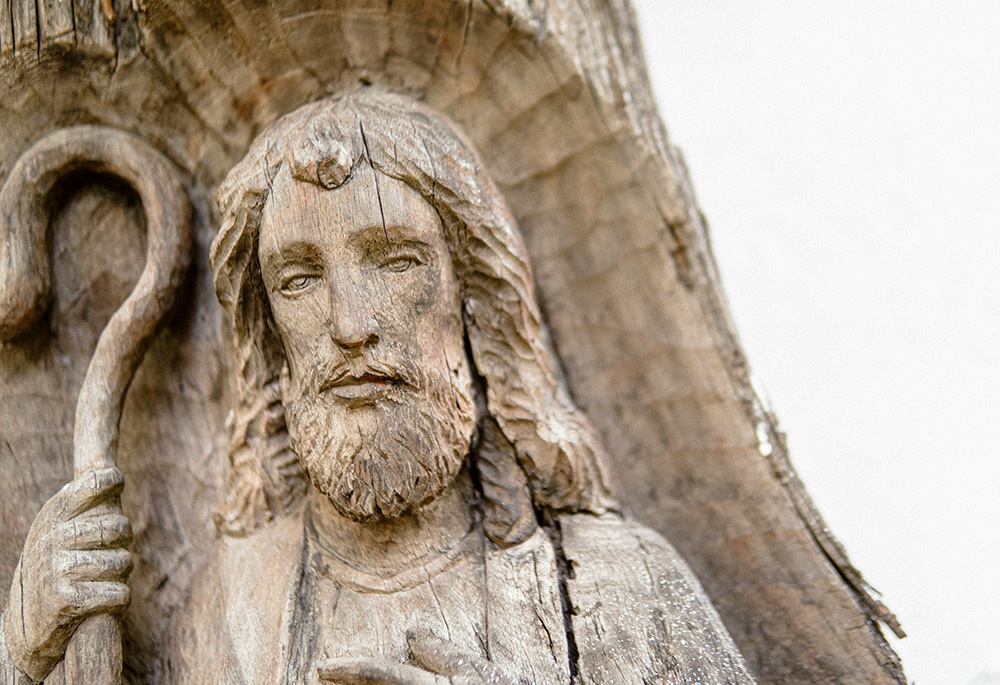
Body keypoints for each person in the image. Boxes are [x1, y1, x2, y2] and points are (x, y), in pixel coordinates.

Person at [2, 90, 754, 684]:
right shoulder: (232, 607)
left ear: (474, 297)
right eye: (298, 278)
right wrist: (28, 654)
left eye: (395, 261)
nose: (350, 325)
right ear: (269, 340)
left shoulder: (625, 588)